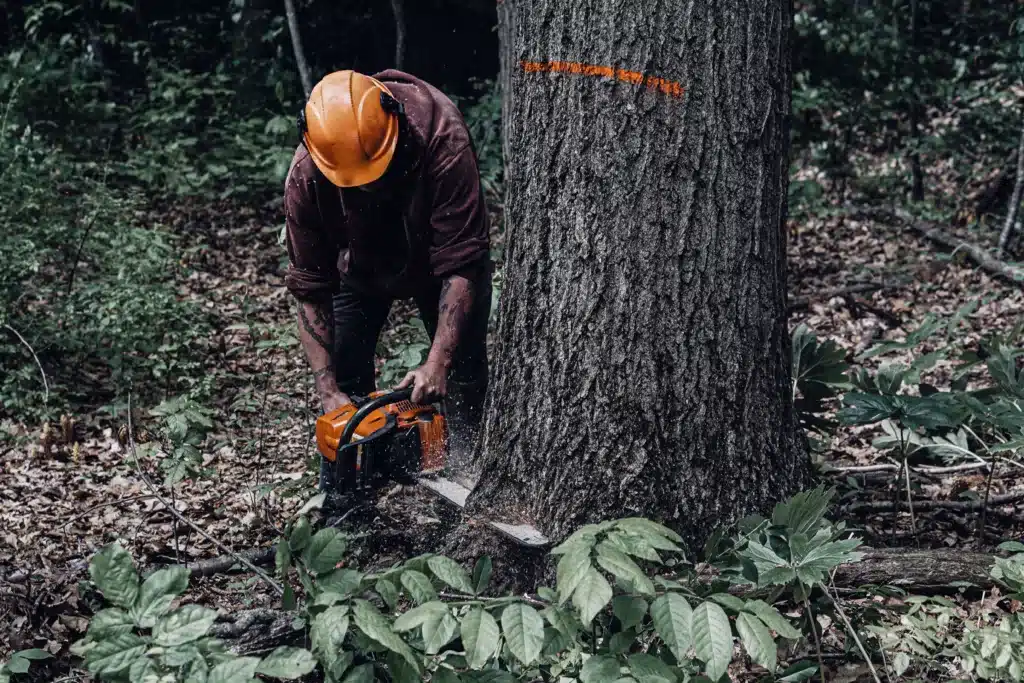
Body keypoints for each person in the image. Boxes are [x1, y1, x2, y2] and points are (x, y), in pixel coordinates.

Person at [282, 69, 491, 491]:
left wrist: (438, 363)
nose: (367, 189)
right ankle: (350, 501)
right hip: (358, 269)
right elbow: (310, 286)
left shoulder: (441, 137)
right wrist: (328, 391)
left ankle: (470, 476)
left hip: (440, 263)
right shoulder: (308, 172)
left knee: (463, 367)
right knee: (343, 376)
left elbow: (463, 262)